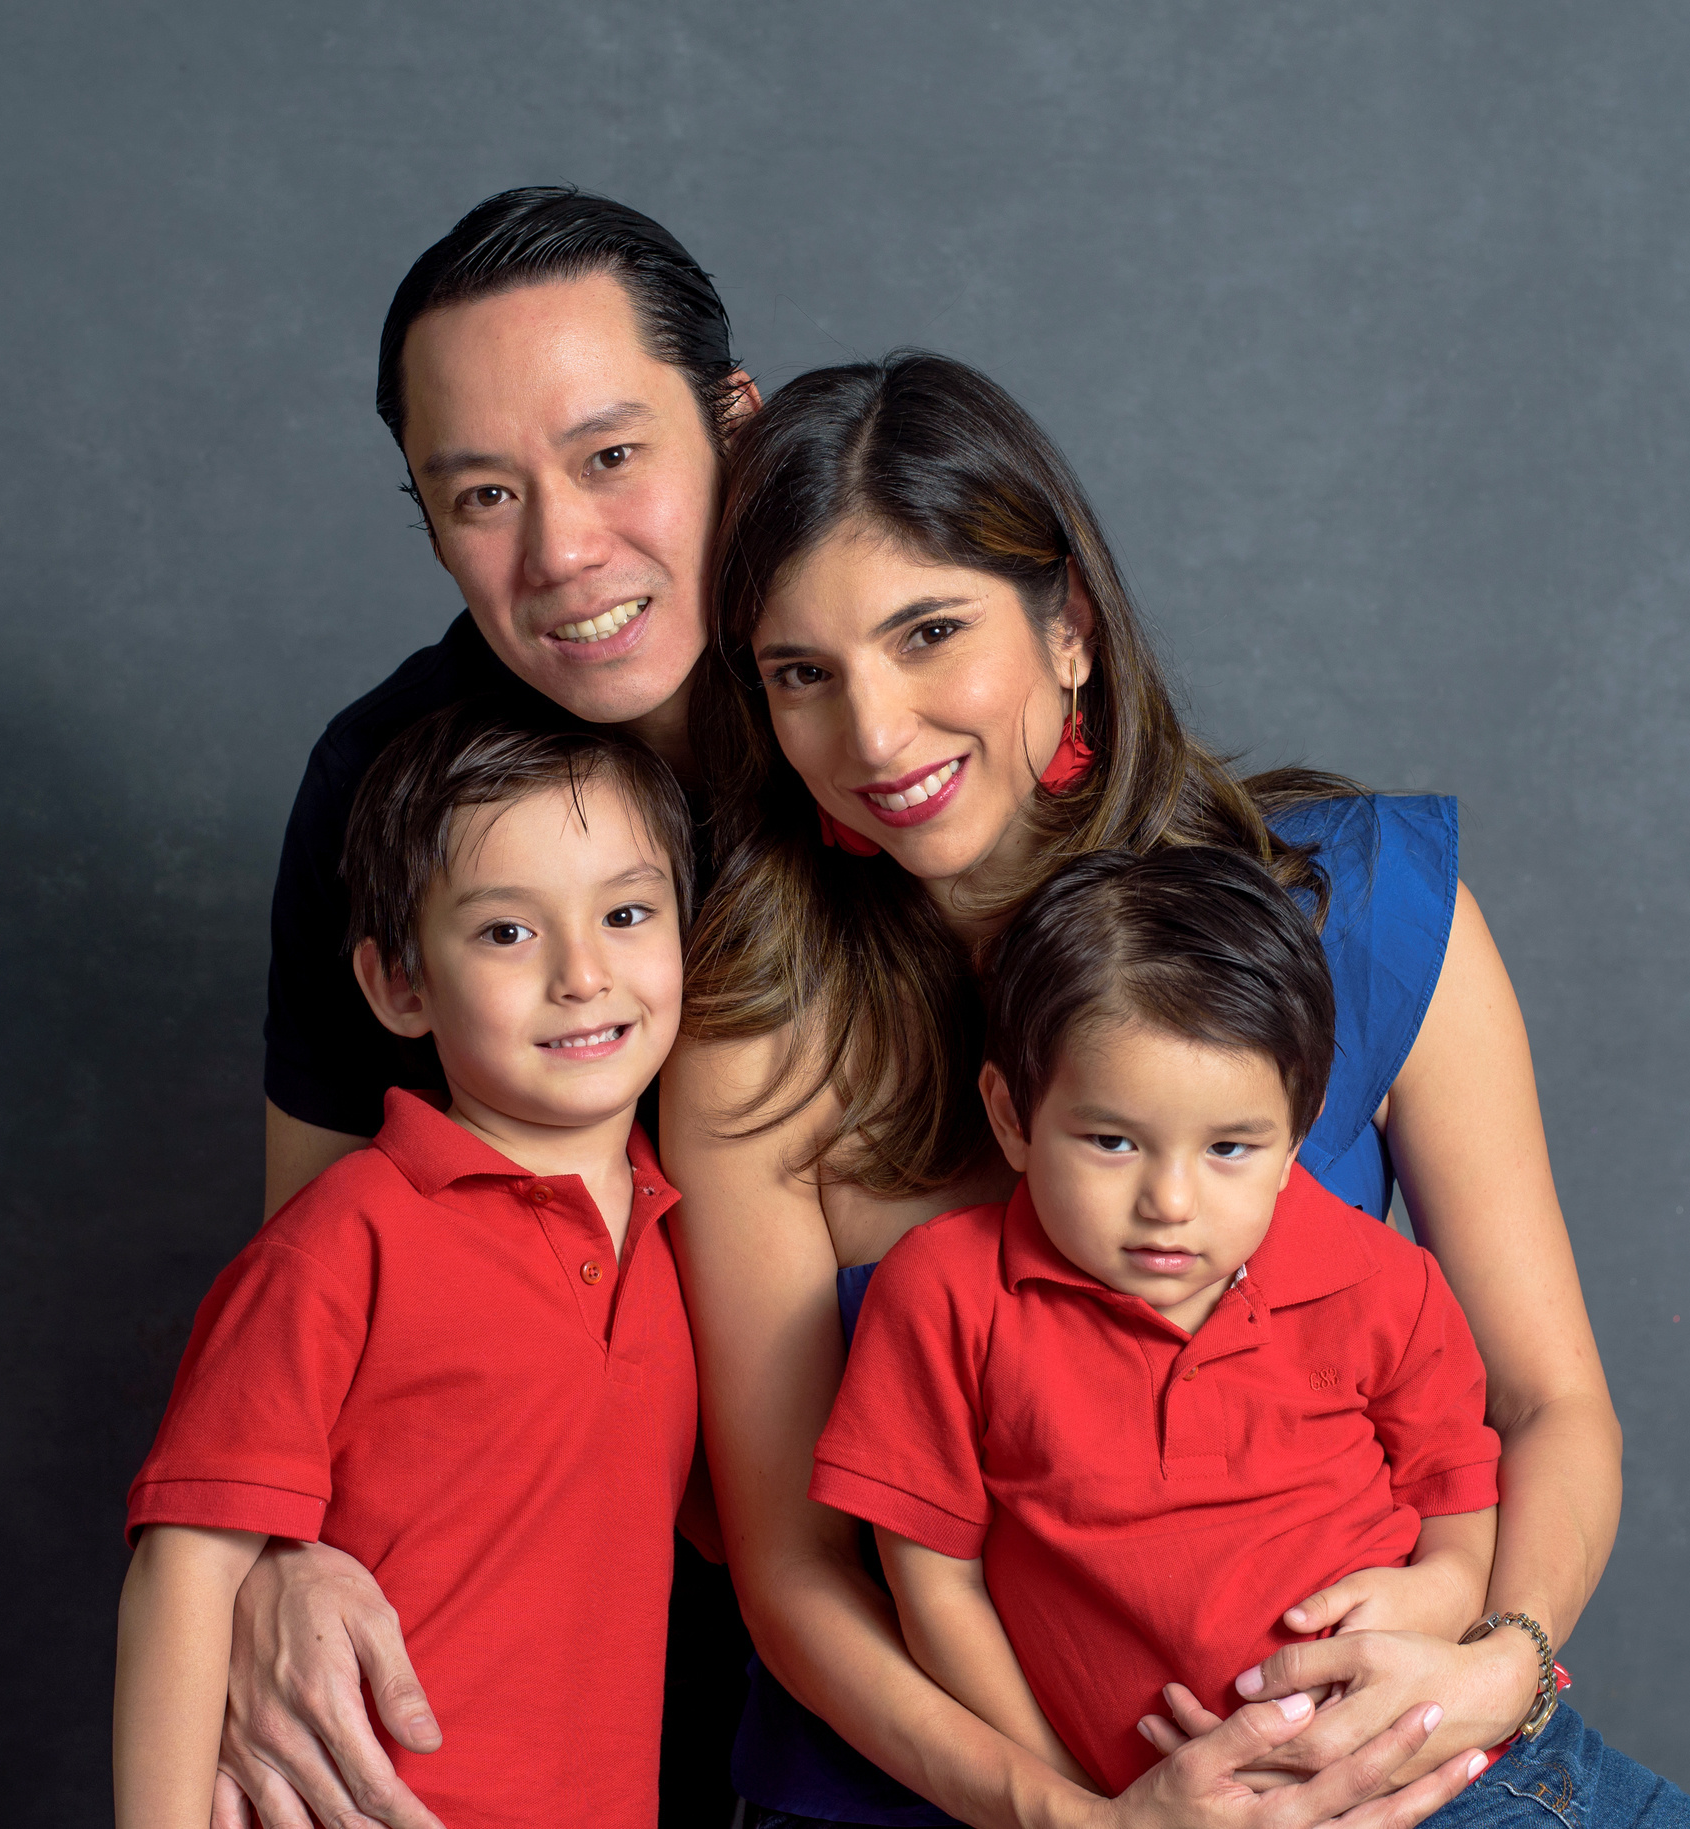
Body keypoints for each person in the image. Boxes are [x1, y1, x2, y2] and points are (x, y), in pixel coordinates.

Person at [224, 192, 1465, 1829]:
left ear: (735, 421)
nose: (564, 551)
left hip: (1202, 1649)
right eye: (483, 496)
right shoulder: (410, 785)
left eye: (612, 456)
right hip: (643, 1587)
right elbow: (322, 1269)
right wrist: (279, 1548)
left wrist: (1488, 1643)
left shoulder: (959, 739)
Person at [660, 352, 1622, 1827]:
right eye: (804, 674)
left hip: (1378, 1768)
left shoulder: (1362, 910)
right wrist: (1090, 1822)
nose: (875, 734)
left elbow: (1548, 1399)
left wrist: (1502, 1657)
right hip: (929, 1794)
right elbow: (793, 1572)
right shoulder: (758, 1048)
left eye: (930, 633)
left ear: (1071, 629)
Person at [815, 846, 1690, 1827]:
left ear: (1295, 1136)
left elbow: (1455, 1489)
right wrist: (1086, 1805)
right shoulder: (946, 1296)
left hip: (1465, 1773)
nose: (1170, 1201)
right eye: (1112, 1141)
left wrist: (1445, 1588)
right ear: (1012, 1117)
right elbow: (935, 1585)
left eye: (1229, 1147)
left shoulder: (1379, 1279)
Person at [115, 706, 699, 1829]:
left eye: (627, 913)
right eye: (506, 932)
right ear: (399, 986)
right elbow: (185, 1570)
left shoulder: (686, 1240)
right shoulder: (346, 1238)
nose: (584, 973)